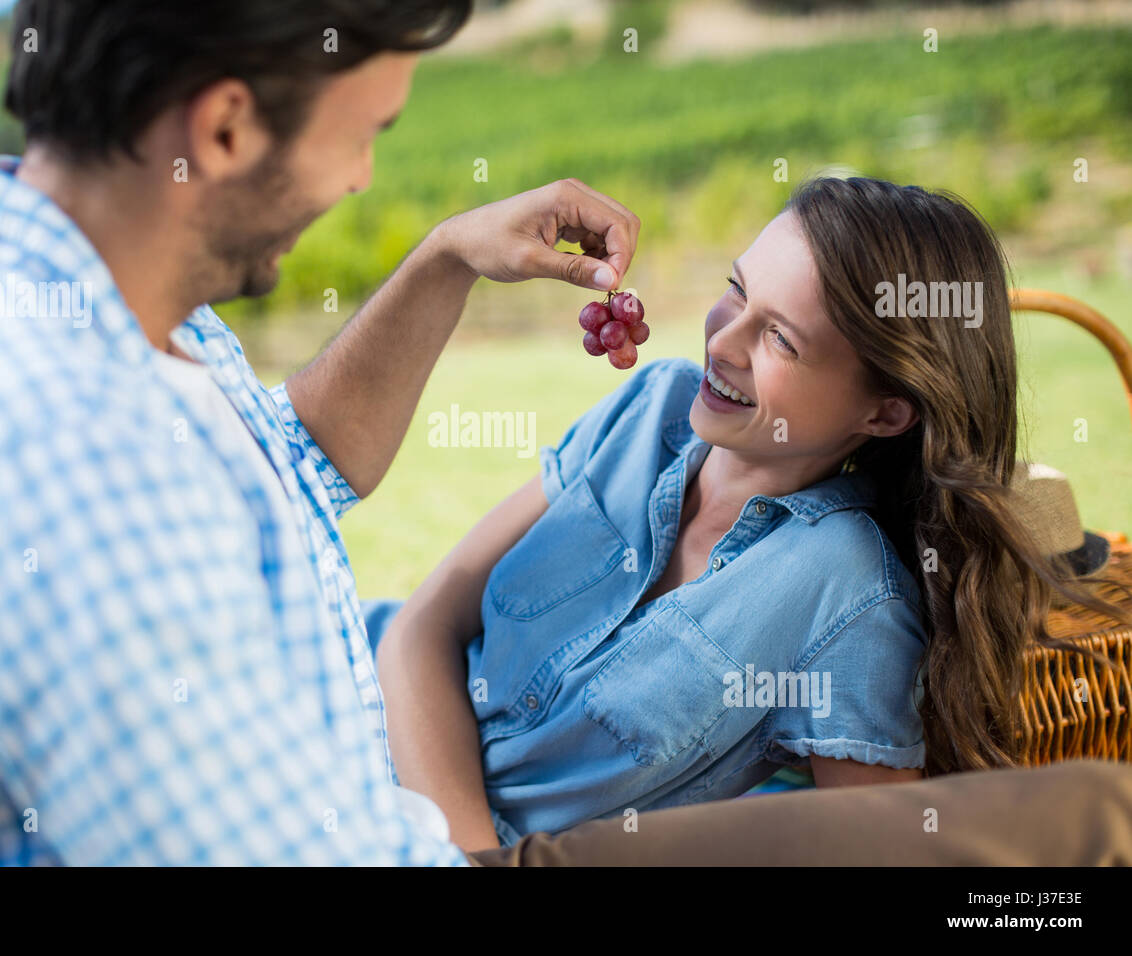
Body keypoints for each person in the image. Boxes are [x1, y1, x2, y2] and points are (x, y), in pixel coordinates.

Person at [0, 0, 1129, 867]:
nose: (363, 184)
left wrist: (445, 261)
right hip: (433, 836)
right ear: (224, 128)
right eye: (371, 138)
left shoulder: (95, 320)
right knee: (1092, 824)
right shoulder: (73, 476)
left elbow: (293, 471)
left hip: (421, 791)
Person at [366, 177, 1132, 851]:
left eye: (780, 339)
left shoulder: (846, 593)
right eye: (737, 290)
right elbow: (422, 627)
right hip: (352, 703)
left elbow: (877, 851)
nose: (721, 341)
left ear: (887, 411)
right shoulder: (651, 406)